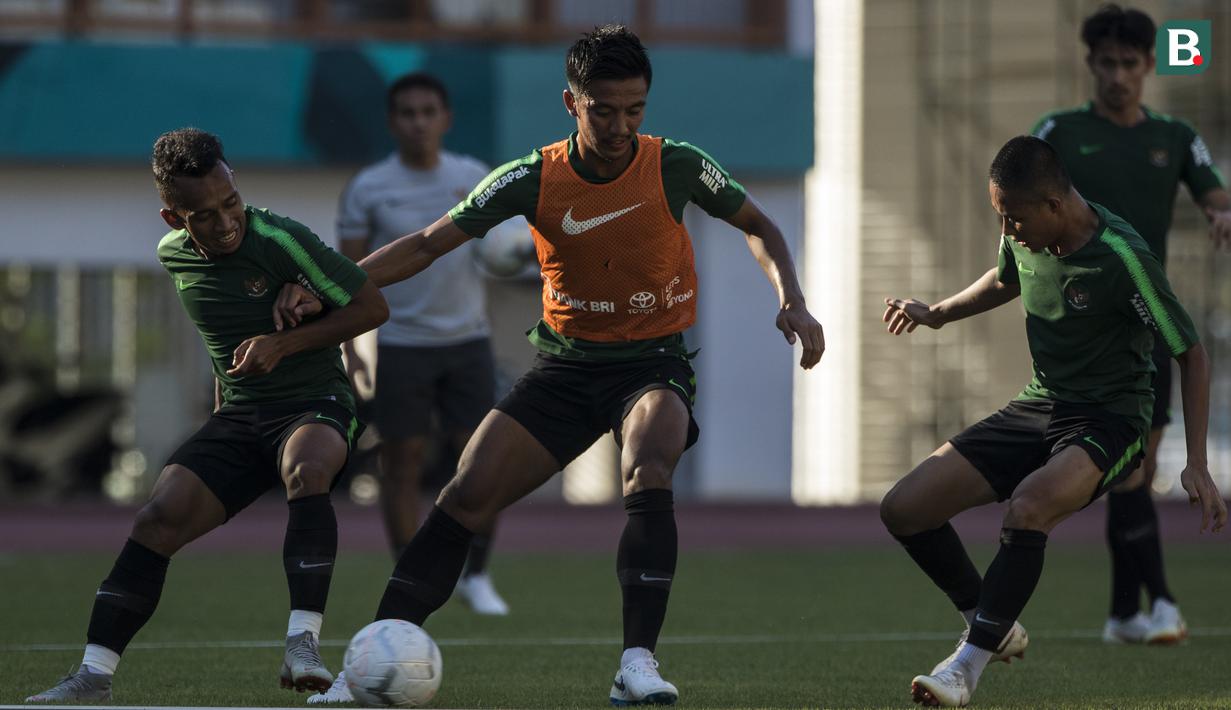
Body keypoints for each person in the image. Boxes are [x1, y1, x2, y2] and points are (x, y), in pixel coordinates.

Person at [279, 24, 823, 707]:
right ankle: (363, 675)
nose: (621, 126)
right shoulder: (530, 178)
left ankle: (637, 665)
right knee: (464, 498)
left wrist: (792, 301)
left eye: (634, 110)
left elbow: (760, 226)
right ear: (572, 103)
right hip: (565, 368)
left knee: (650, 459)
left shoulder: (677, 163)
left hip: (652, 361)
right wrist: (330, 285)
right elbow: (423, 244)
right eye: (604, 111)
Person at [24, 128, 389, 703]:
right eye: (205, 215)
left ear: (236, 186)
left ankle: (302, 645)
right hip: (242, 415)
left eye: (230, 204)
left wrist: (285, 341)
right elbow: (222, 332)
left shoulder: (280, 237)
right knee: (155, 519)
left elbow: (372, 306)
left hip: (315, 402)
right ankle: (92, 677)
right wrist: (227, 394)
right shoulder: (172, 258)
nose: (225, 224)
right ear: (174, 219)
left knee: (307, 469)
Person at [879, 135, 1225, 708]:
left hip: (1112, 420)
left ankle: (967, 665)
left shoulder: (1122, 257)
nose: (1008, 231)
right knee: (905, 508)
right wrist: (936, 313)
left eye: (1014, 219)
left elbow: (1191, 354)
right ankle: (991, 622)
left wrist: (1195, 463)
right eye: (1001, 217)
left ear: (1055, 206)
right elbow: (1007, 277)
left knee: (1029, 507)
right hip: (1039, 404)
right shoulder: (1024, 233)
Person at [1030, 3, 1231, 645]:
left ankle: (1124, 613)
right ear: (1090, 63)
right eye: (1107, 62)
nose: (1118, 74)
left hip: (1148, 325)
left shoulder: (1174, 136)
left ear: (1149, 65)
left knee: (1131, 470)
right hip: (1085, 328)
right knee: (1132, 469)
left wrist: (1222, 213)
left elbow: (1214, 190)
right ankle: (1160, 602)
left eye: (1130, 63)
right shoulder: (1059, 130)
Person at [336, 73, 514, 612]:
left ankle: (477, 575)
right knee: (403, 463)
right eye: (408, 112)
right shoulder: (368, 187)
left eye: (428, 111)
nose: (418, 121)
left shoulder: (474, 177)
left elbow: (508, 247)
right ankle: (409, 576)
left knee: (481, 463)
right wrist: (349, 350)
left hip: (468, 341)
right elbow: (346, 277)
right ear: (394, 122)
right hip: (401, 345)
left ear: (446, 118)